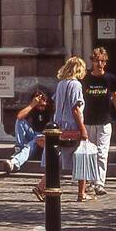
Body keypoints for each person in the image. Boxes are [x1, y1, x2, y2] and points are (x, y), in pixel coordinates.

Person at [39, 56, 90, 202]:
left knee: (57, 158)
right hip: (72, 125)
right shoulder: (76, 85)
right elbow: (75, 108)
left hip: (58, 125)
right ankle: (81, 192)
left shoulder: (61, 84)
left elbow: (56, 104)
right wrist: (82, 129)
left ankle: (42, 186)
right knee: (82, 157)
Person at [83, 47, 116, 196]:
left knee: (101, 152)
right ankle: (89, 181)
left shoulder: (110, 79)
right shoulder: (86, 78)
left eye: (102, 61)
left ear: (105, 63)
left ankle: (99, 183)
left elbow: (115, 97)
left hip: (104, 120)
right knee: (89, 152)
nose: (99, 64)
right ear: (92, 61)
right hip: (89, 120)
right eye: (97, 61)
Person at [6, 88, 51, 174]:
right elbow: (19, 116)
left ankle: (14, 162)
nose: (41, 108)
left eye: (43, 105)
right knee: (20, 121)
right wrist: (32, 105)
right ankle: (20, 149)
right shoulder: (33, 108)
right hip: (34, 134)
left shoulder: (51, 110)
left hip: (45, 137)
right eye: (38, 106)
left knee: (31, 144)